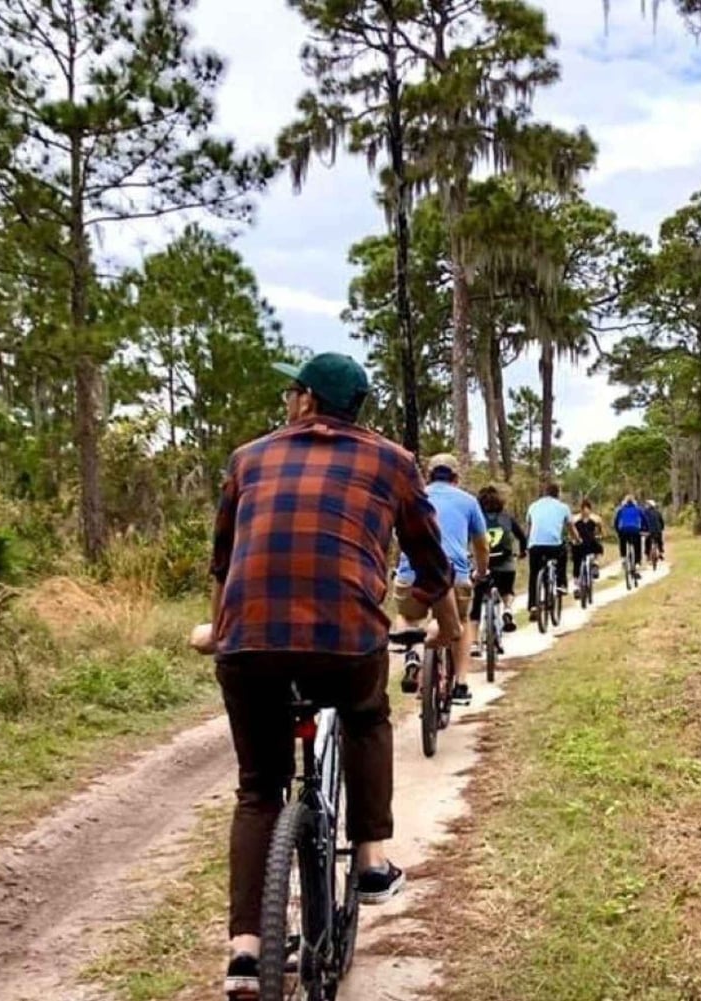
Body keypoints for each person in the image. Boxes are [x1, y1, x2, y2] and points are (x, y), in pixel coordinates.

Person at [206, 352, 462, 1001]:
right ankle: (372, 860)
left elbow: (223, 562)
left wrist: (218, 631)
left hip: (248, 643)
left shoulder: (247, 458)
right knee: (366, 715)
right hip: (344, 642)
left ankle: (245, 951)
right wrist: (426, 610)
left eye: (292, 392)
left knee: (259, 789)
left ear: (308, 401)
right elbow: (430, 562)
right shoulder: (392, 460)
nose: (289, 402)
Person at [394, 454, 489, 706]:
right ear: (456, 478)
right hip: (454, 574)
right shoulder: (468, 502)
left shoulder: (414, 496)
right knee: (461, 621)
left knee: (407, 616)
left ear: (428, 475)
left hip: (410, 573)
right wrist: (480, 572)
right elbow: (481, 546)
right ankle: (460, 684)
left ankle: (413, 653)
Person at [471, 485, 526, 650]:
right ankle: (507, 610)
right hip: (505, 564)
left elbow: (467, 540)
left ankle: (473, 642)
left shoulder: (476, 518)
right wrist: (523, 551)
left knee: (477, 602)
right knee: (507, 591)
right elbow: (522, 537)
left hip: (483, 565)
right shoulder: (507, 518)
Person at [526, 482, 576, 618]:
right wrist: (577, 539)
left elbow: (529, 527)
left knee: (534, 574)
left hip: (534, 545)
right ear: (558, 494)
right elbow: (571, 527)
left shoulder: (533, 506)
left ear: (545, 493)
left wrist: (527, 544)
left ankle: (533, 605)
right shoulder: (563, 507)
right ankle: (561, 583)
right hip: (554, 545)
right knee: (562, 554)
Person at [571, 498, 604, 583]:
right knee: (577, 560)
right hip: (583, 542)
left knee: (598, 548)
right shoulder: (592, 518)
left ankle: (595, 564)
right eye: (584, 510)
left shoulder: (576, 518)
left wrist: (600, 534)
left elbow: (601, 528)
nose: (585, 512)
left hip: (585, 542)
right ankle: (577, 580)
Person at [613, 493, 646, 572]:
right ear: (634, 501)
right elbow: (644, 519)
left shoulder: (621, 509)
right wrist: (645, 529)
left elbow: (616, 521)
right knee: (637, 544)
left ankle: (623, 558)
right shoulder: (638, 509)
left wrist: (617, 530)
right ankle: (637, 561)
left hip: (623, 530)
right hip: (635, 530)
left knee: (622, 542)